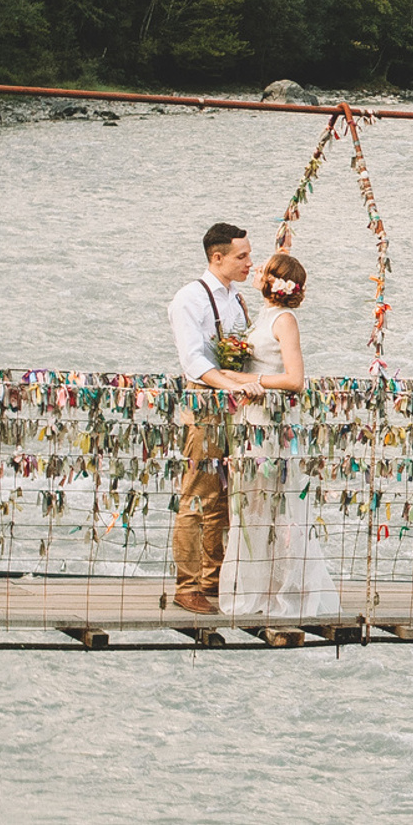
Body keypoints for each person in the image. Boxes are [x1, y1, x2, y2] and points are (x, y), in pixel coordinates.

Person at [219, 253, 341, 618]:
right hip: (250, 421)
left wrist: (247, 379)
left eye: (264, 268)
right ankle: (259, 586)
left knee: (271, 505)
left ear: (275, 281)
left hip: (270, 427)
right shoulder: (263, 315)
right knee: (251, 505)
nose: (256, 269)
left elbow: (294, 379)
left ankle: (280, 590)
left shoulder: (285, 320)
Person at [168, 221, 262, 615]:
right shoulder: (189, 298)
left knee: (224, 493)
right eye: (243, 256)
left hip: (234, 404)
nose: (250, 263)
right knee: (196, 494)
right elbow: (193, 360)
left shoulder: (237, 298)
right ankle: (187, 585)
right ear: (218, 257)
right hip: (205, 403)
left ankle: (213, 577)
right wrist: (232, 386)